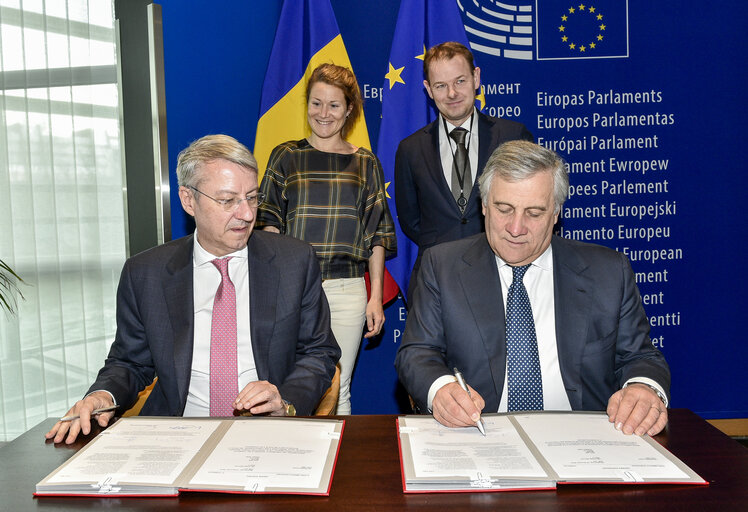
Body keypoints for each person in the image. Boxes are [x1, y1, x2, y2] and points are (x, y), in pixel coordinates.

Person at [46, 134, 340, 444]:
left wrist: (286, 402)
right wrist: (102, 395)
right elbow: (129, 362)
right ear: (189, 200)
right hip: (175, 436)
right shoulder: (146, 273)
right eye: (228, 200)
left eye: (252, 197)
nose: (247, 213)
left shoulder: (294, 261)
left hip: (266, 434)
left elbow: (319, 352)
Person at [395, 140, 671, 436]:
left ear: (556, 214)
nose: (516, 228)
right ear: (485, 205)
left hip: (587, 438)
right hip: (480, 433)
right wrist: (441, 388)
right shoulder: (443, 265)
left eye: (534, 213)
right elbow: (418, 352)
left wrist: (642, 387)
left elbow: (640, 357)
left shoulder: (608, 271)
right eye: (504, 209)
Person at [257, 63, 396, 415]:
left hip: (347, 291)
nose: (323, 113)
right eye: (316, 103)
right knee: (287, 385)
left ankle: (336, 467)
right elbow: (268, 222)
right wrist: (274, 288)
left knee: (338, 386)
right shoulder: (285, 156)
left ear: (349, 109)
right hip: (292, 291)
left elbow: (377, 234)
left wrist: (376, 297)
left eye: (334, 105)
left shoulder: (366, 163)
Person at [395, 41, 534, 300]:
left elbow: (533, 208)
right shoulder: (410, 149)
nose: (451, 93)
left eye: (460, 81)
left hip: (502, 277)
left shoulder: (512, 136)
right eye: (441, 85)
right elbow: (411, 221)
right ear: (428, 89)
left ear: (476, 78)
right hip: (434, 284)